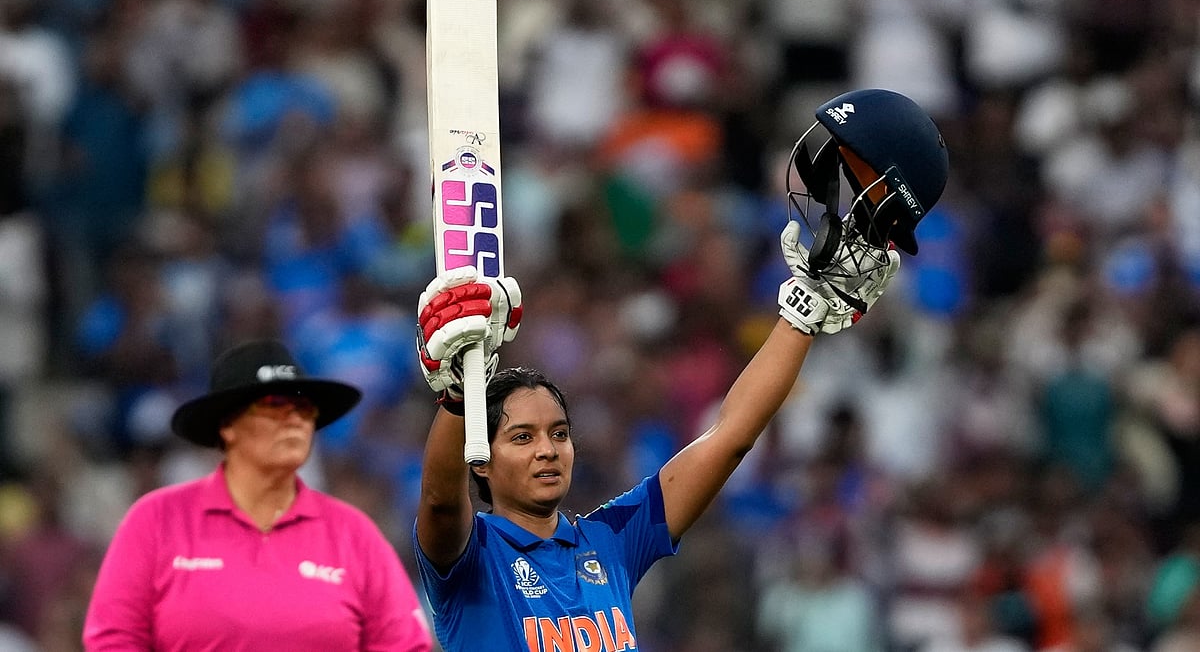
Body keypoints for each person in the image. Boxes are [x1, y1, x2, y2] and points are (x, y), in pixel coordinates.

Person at [411, 88, 949, 651]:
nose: (548, 449)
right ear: (482, 460)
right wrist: (455, 399)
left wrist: (804, 316)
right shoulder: (468, 559)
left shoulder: (609, 542)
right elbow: (440, 500)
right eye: (522, 437)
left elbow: (729, 438)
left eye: (559, 433)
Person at [82, 339, 432, 651]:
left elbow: (403, 644)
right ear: (227, 425)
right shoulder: (157, 520)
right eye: (276, 405)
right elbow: (113, 640)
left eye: (304, 408)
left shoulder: (353, 533)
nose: (295, 420)